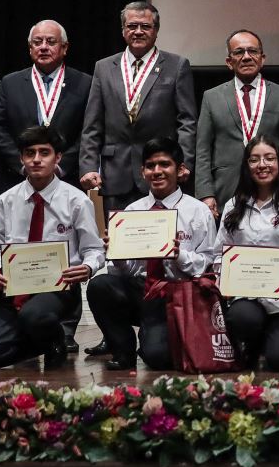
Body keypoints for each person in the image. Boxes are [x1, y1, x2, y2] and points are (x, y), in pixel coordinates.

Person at [0, 125, 105, 369]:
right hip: (14, 288)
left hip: (58, 288)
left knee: (34, 316)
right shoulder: (6, 199)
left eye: (44, 153)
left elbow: (95, 249)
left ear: (57, 157)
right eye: (29, 153)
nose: (36, 160)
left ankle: (55, 337)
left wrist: (88, 268)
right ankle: (42, 343)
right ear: (21, 158)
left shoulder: (77, 200)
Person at [87, 137, 218, 371]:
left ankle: (154, 341)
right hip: (141, 290)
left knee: (157, 358)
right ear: (142, 171)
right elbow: (123, 272)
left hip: (177, 294)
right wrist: (116, 256)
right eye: (150, 166)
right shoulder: (132, 211)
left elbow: (209, 264)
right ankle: (123, 351)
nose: (156, 171)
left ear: (180, 170)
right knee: (100, 286)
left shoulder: (198, 212)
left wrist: (179, 256)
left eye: (164, 165)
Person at [215, 135, 279, 372]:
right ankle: (254, 342)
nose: (262, 165)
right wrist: (227, 278)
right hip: (247, 300)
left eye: (269, 158)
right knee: (242, 318)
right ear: (246, 166)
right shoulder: (233, 206)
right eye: (254, 160)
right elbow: (218, 256)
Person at [80, 1, 197, 211]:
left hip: (160, 173)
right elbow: (92, 124)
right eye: (132, 26)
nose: (138, 31)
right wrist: (88, 167)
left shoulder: (176, 65)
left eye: (145, 26)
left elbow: (187, 121)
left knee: (159, 239)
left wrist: (184, 163)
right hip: (114, 175)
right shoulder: (104, 67)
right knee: (116, 240)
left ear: (156, 31)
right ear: (123, 30)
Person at [195, 28, 279, 219]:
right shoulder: (211, 97)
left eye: (253, 51)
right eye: (239, 52)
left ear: (262, 58)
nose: (247, 57)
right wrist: (205, 193)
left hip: (272, 188)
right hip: (225, 188)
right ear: (229, 61)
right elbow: (203, 150)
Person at [0, 19, 92, 191]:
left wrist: (61, 165)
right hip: (18, 180)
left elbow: (89, 130)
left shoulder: (85, 83)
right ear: (30, 48)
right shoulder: (10, 83)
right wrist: (23, 163)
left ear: (65, 48)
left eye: (51, 42)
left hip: (68, 181)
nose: (43, 47)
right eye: (37, 42)